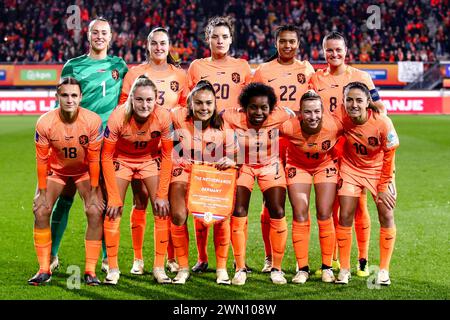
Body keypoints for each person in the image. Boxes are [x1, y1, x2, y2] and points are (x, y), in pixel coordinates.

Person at [49, 17, 128, 273]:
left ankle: (105, 258)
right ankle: (51, 254)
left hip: (106, 143)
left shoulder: (119, 65)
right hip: (76, 140)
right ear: (88, 35)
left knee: (102, 200)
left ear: (111, 36)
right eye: (95, 32)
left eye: (104, 33)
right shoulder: (73, 65)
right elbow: (61, 103)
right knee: (65, 196)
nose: (100, 37)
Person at [309, 31, 387, 276]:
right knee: (332, 204)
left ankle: (362, 258)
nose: (334, 54)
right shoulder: (315, 78)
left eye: (338, 50)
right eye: (329, 50)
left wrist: (382, 127)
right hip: (327, 147)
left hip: (354, 149)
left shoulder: (361, 76)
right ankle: (333, 258)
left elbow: (379, 106)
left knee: (358, 205)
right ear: (323, 51)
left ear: (346, 51)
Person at [118, 27, 189, 274]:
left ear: (170, 46)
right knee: (141, 201)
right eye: (154, 43)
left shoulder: (180, 75)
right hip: (143, 149)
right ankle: (138, 259)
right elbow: (124, 107)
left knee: (167, 203)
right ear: (147, 46)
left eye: (163, 43)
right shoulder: (135, 73)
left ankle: (169, 257)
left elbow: (183, 109)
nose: (159, 47)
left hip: (170, 147)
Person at [187, 16, 252, 273]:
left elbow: (249, 105)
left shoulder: (243, 67)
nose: (220, 41)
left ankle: (239, 261)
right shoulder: (196, 67)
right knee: (202, 201)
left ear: (231, 39)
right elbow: (188, 103)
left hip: (233, 142)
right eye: (215, 36)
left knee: (234, 206)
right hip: (203, 139)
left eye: (225, 36)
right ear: (208, 39)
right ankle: (202, 259)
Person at [29, 77, 104, 286]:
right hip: (56, 171)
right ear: (57, 97)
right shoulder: (45, 122)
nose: (69, 99)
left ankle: (90, 271)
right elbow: (42, 160)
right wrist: (42, 192)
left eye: (73, 95)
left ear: (81, 97)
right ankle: (44, 269)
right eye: (64, 95)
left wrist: (96, 190)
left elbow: (94, 158)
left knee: (95, 210)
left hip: (84, 172)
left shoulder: (93, 121)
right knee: (41, 210)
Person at [252, 24, 315, 272]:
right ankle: (270, 258)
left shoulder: (307, 70)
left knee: (301, 203)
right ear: (275, 43)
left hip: (300, 143)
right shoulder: (263, 71)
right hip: (272, 143)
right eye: (283, 41)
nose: (287, 46)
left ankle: (306, 262)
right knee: (271, 203)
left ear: (298, 43)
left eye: (292, 41)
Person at [101, 75, 173, 285]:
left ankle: (159, 267)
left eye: (149, 100)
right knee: (113, 210)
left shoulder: (163, 117)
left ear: (156, 100)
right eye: (139, 100)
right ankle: (113, 268)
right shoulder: (117, 117)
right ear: (131, 99)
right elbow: (106, 156)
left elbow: (168, 155)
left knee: (162, 209)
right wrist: (113, 197)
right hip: (121, 161)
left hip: (149, 161)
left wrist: (161, 194)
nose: (144, 105)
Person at [222, 83, 294, 285]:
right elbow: (217, 116)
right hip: (243, 165)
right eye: (253, 107)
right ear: (244, 106)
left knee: (278, 211)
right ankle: (240, 268)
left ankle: (276, 268)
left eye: (264, 107)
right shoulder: (232, 116)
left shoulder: (279, 115)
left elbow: (295, 116)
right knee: (238, 211)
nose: (259, 112)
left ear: (271, 108)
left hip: (270, 165)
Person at [167, 80, 237, 285]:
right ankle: (182, 267)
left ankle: (222, 269)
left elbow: (237, 155)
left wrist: (232, 160)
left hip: (212, 175)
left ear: (215, 104)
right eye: (198, 103)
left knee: (221, 217)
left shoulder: (224, 125)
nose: (204, 108)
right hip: (184, 171)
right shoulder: (178, 116)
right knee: (178, 215)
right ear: (190, 104)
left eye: (208, 103)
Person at [335, 82, 399, 285]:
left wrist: (384, 185)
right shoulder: (341, 118)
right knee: (345, 215)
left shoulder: (383, 123)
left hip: (379, 170)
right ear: (344, 102)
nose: (354, 104)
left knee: (386, 213)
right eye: (349, 100)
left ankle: (383, 271)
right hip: (351, 169)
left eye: (359, 100)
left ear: (367, 102)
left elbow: (390, 154)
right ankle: (344, 270)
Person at [279, 90, 343, 284]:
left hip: (324, 166)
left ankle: (327, 268)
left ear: (323, 111)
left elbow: (358, 131)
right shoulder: (288, 127)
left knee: (325, 213)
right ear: (300, 113)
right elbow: (262, 129)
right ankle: (303, 269)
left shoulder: (334, 125)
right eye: (307, 112)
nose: (313, 117)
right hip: (298, 167)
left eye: (316, 111)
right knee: (300, 212)